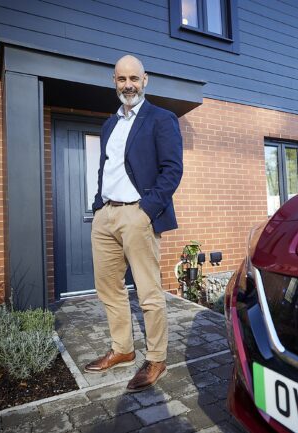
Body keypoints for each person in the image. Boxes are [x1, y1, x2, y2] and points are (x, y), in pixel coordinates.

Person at [84, 55, 183, 393]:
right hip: (106, 215)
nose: (128, 85)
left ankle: (156, 357)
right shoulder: (109, 124)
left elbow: (172, 170)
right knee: (108, 288)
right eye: (122, 79)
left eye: (134, 79)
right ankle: (123, 349)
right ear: (114, 81)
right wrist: (99, 205)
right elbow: (106, 167)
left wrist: (146, 210)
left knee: (148, 291)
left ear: (145, 80)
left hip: (137, 214)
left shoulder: (161, 118)